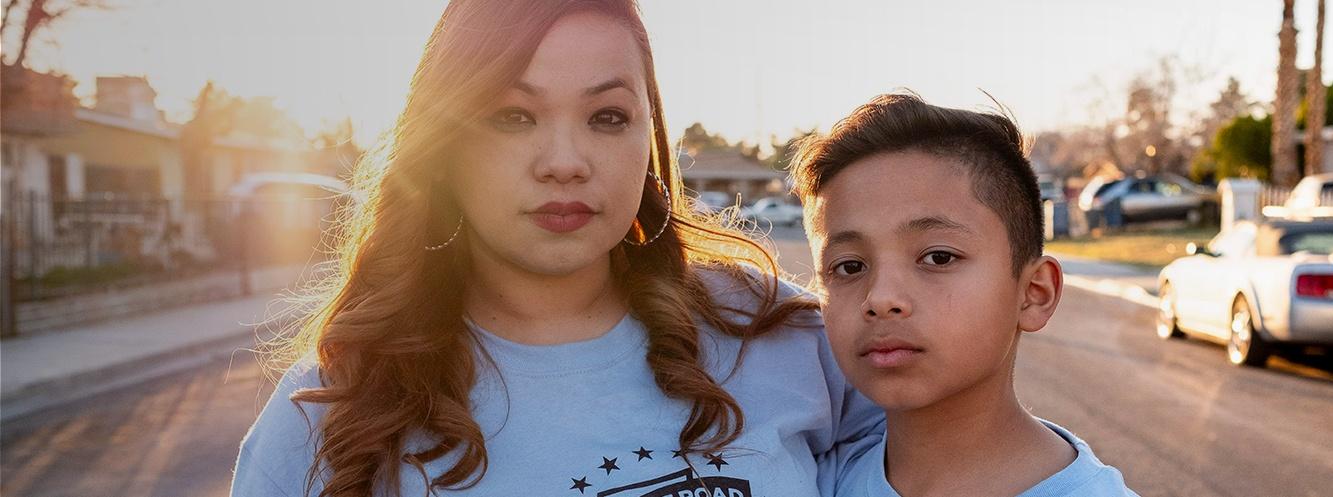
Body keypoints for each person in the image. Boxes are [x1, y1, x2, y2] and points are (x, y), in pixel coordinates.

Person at [230, 1, 881, 496]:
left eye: (607, 117)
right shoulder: (323, 417)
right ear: (442, 148)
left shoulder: (788, 335)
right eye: (513, 116)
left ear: (648, 140)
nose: (565, 162)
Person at [793, 93, 1137, 497]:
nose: (881, 298)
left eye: (938, 257)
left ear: (1034, 294)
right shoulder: (812, 477)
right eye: (850, 267)